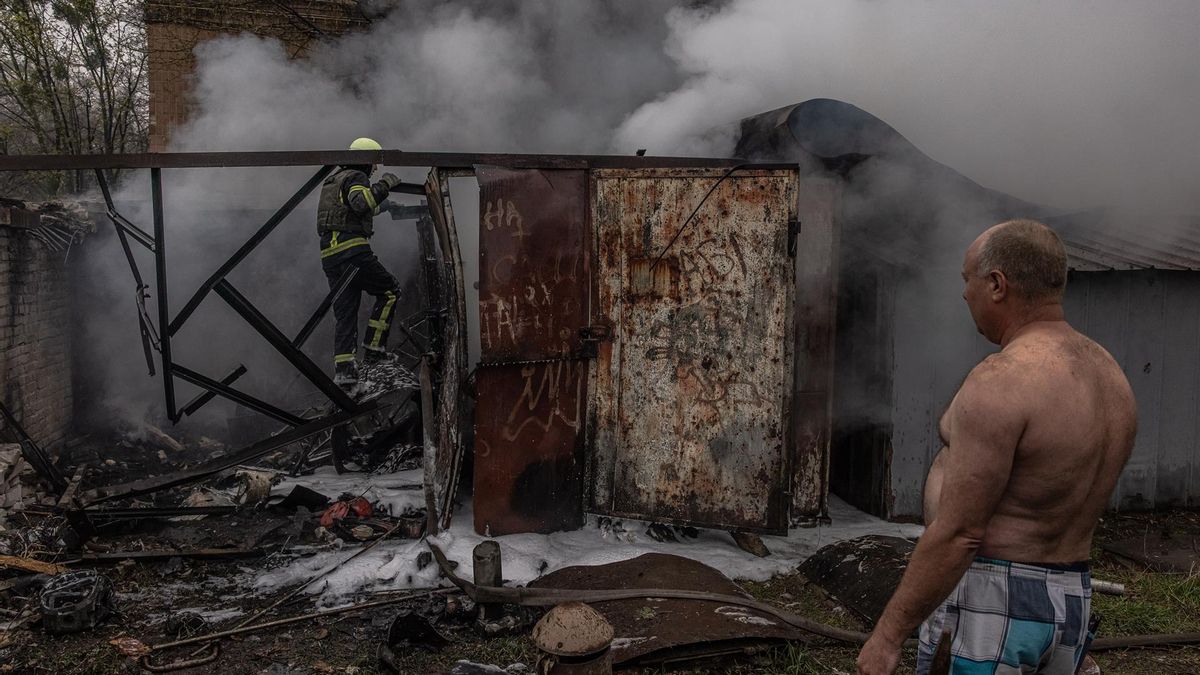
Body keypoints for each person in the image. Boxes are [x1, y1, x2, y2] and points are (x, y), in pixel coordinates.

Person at [856, 219, 1137, 675]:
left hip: (996, 596)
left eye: (967, 279)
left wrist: (887, 637)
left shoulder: (1002, 379)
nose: (965, 294)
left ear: (996, 284)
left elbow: (960, 532)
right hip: (1070, 597)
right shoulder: (1110, 376)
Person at [317, 137, 405, 394]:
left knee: (345, 314)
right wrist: (385, 185)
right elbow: (361, 203)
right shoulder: (357, 176)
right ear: (366, 160)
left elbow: (354, 209)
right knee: (390, 291)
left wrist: (385, 206)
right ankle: (375, 351)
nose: (375, 168)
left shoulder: (334, 180)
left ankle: (345, 374)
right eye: (375, 163)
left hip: (331, 257)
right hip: (352, 252)